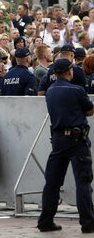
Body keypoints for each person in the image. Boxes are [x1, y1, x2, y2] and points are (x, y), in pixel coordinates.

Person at [37, 58, 94, 233]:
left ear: (54, 73)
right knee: (83, 181)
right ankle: (88, 223)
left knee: (52, 183)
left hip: (58, 140)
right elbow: (89, 110)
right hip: (77, 140)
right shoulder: (76, 90)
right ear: (70, 71)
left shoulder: (50, 91)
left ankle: (46, 221)